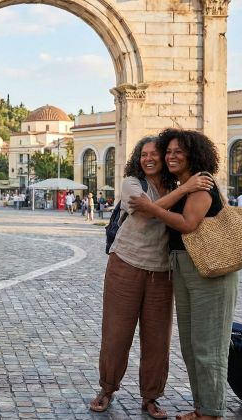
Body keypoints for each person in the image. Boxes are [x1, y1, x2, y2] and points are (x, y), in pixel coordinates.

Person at [89, 137, 212, 418]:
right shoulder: (133, 182)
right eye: (143, 154)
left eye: (155, 154)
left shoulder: (174, 185)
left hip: (162, 270)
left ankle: (151, 397)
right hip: (126, 263)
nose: (149, 159)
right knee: (116, 333)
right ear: (137, 158)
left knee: (158, 338)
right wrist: (186, 189)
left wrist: (188, 187)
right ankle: (107, 389)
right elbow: (144, 211)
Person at [129, 128, 237, 420]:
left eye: (179, 151)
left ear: (194, 154)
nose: (171, 156)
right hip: (184, 264)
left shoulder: (201, 184)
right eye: (169, 151)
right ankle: (202, 408)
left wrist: (151, 207)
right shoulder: (185, 184)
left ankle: (212, 411)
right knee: (191, 345)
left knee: (208, 345)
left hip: (209, 267)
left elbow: (188, 223)